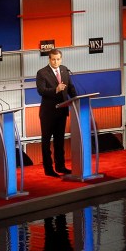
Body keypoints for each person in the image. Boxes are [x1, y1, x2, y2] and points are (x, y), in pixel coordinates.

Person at [35, 48, 76, 177]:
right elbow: (41, 91)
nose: (56, 62)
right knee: (46, 142)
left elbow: (70, 87)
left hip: (62, 111)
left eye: (58, 59)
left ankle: (61, 166)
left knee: (59, 141)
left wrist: (76, 99)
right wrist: (56, 90)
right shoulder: (42, 73)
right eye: (53, 59)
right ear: (49, 59)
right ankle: (48, 169)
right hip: (48, 113)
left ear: (61, 59)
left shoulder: (64, 70)